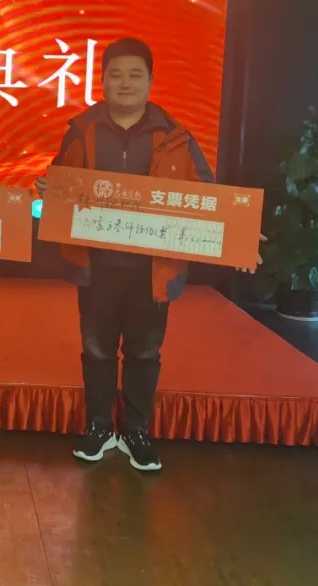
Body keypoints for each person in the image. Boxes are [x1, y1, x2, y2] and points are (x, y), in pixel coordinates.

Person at [36, 38, 213, 473]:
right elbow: (60, 183)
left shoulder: (176, 136)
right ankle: (99, 427)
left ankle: (136, 431)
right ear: (102, 81)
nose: (125, 83)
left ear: (151, 80)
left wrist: (241, 230)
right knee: (96, 349)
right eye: (115, 75)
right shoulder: (83, 130)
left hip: (152, 270)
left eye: (135, 75)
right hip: (96, 266)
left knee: (145, 352)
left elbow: (210, 196)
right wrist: (48, 190)